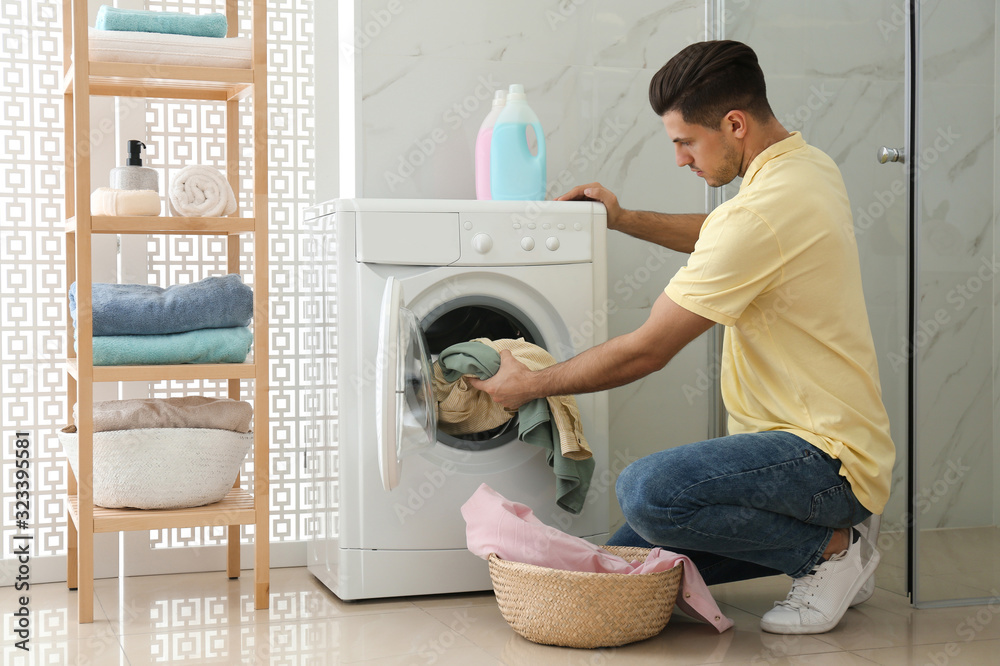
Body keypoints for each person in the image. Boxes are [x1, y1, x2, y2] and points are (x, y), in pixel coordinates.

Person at [467, 39, 895, 635]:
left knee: (649, 492)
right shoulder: (804, 168)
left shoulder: (762, 212)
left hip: (823, 461)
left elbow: (648, 348)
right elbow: (725, 231)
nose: (679, 159)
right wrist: (620, 218)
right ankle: (829, 547)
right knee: (626, 569)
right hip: (818, 450)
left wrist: (529, 384)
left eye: (685, 141)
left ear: (735, 125)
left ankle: (831, 552)